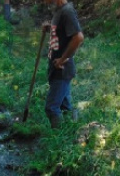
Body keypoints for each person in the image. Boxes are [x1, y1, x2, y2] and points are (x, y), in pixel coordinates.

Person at [43, 0, 84, 128]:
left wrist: (62, 59)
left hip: (62, 69)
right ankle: (72, 127)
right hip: (56, 68)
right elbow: (62, 32)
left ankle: (59, 141)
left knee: (51, 108)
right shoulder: (59, 10)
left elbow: (78, 37)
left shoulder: (67, 11)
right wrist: (50, 28)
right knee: (65, 106)